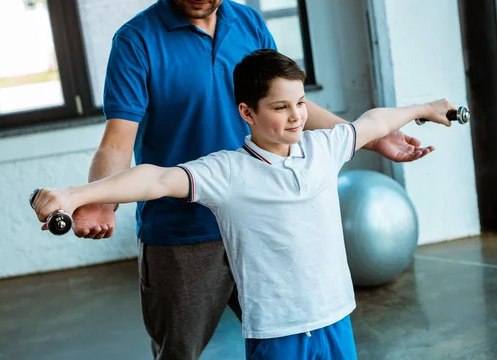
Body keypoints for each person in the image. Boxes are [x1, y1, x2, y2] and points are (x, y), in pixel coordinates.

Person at [67, 0, 434, 358]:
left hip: (265, 223)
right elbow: (118, 142)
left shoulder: (250, 25)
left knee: (296, 338)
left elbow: (289, 104)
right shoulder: (136, 41)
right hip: (183, 235)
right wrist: (98, 200)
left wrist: (372, 137)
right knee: (179, 353)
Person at [33, 49, 454, 360]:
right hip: (277, 332)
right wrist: (76, 195)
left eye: (301, 103)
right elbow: (155, 178)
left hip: (335, 316)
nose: (296, 116)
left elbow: (373, 122)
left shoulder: (324, 147)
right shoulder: (229, 172)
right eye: (280, 107)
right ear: (246, 112)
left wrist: (426, 108)